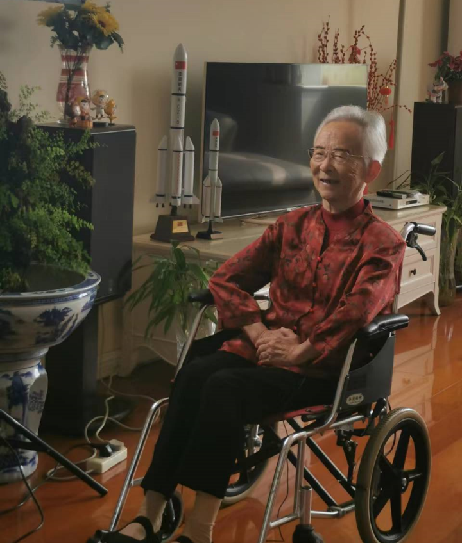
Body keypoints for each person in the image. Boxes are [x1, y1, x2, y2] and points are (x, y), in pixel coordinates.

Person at [109, 105, 406, 543]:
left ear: (372, 170)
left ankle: (199, 531)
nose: (325, 165)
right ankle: (148, 518)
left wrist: (301, 349)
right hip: (265, 352)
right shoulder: (291, 226)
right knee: (194, 373)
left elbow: (358, 311)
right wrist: (261, 333)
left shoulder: (383, 243)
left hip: (325, 369)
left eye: (342, 155)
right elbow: (226, 278)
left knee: (223, 388)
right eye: (319, 152)